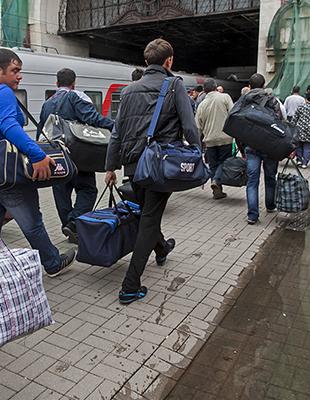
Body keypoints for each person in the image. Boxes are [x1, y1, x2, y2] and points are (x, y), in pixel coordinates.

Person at [105, 38, 197, 304]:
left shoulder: (129, 90)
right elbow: (189, 126)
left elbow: (116, 133)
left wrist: (110, 167)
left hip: (134, 166)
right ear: (169, 60)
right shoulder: (174, 85)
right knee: (149, 220)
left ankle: (163, 248)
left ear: (146, 61)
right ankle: (130, 286)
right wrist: (198, 152)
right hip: (159, 165)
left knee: (148, 214)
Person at [0, 49, 76, 274]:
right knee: (32, 223)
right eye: (15, 70)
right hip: (8, 176)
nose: (19, 76)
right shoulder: (2, 92)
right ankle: (52, 263)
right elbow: (11, 127)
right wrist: (38, 155)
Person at [37, 68, 114, 243]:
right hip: (78, 155)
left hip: (56, 156)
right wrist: (115, 126)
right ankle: (73, 224)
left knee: (61, 191)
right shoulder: (74, 97)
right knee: (88, 189)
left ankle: (68, 225)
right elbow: (93, 119)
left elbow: (41, 132)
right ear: (74, 83)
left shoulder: (47, 103)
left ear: (57, 83)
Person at [239, 73, 284, 225]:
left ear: (249, 86)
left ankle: (252, 215)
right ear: (264, 85)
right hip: (270, 147)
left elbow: (237, 125)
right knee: (270, 177)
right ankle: (270, 205)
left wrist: (241, 148)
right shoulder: (272, 100)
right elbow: (279, 123)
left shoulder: (244, 101)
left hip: (251, 146)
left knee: (252, 181)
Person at [195, 78, 234, 200]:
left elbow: (197, 126)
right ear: (216, 87)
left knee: (213, 165)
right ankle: (216, 181)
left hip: (209, 140)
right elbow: (233, 114)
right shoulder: (225, 97)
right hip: (225, 138)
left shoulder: (202, 105)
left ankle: (217, 191)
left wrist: (197, 143)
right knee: (224, 162)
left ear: (204, 90)